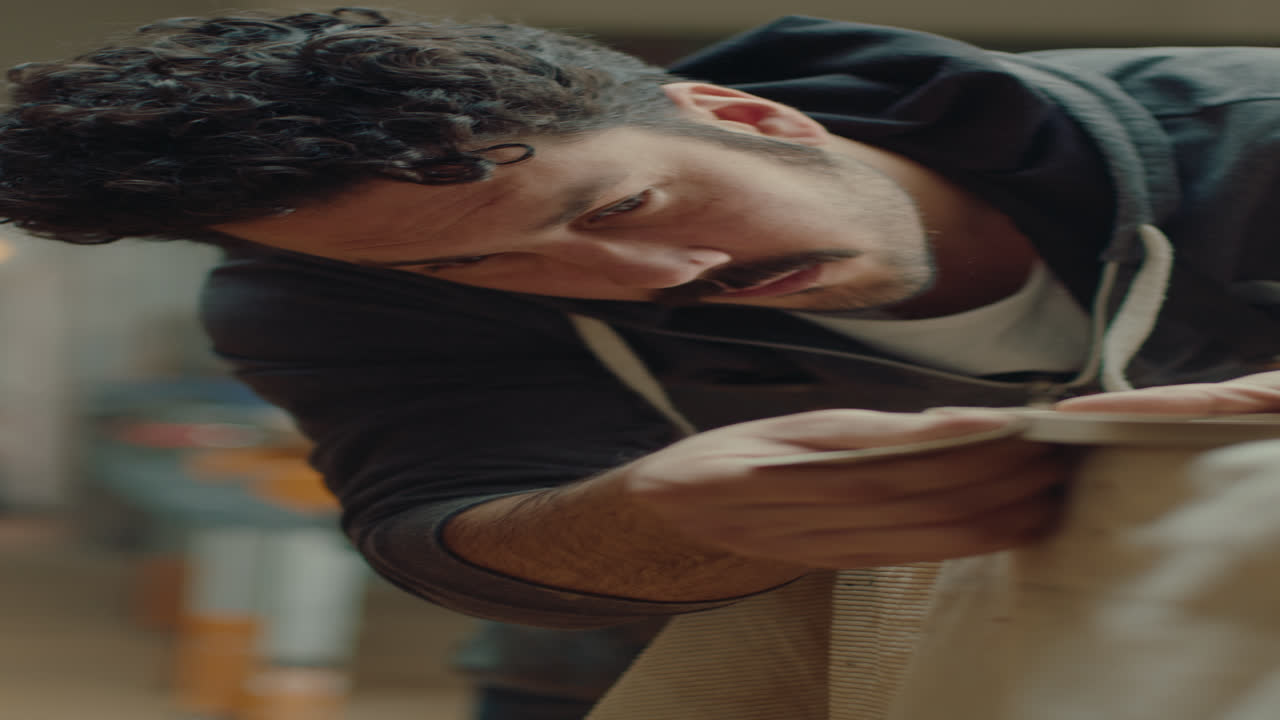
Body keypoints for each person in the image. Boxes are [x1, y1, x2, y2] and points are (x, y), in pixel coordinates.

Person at [4, 7, 1280, 716]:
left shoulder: (1252, 131)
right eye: (469, 269)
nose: (653, 280)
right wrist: (661, 520)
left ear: (743, 115)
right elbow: (441, 527)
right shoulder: (315, 287)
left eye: (617, 211)